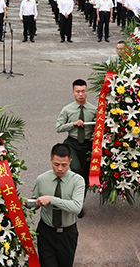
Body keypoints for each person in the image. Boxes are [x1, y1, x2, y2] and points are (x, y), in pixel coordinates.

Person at [30, 143, 84, 267]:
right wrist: (25, 203)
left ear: (70, 162)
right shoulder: (42, 179)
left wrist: (51, 199)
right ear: (51, 160)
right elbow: (35, 203)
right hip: (46, 233)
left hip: (67, 235)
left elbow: (76, 207)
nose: (60, 168)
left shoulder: (78, 181)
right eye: (56, 164)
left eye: (64, 165)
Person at [55, 79, 96, 217]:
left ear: (86, 92)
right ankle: (70, 200)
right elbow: (58, 127)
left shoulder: (93, 110)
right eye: (77, 91)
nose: (80, 94)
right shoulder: (67, 109)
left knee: (84, 176)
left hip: (88, 145)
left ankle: (79, 203)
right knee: (77, 169)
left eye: (83, 91)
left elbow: (99, 128)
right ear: (73, 93)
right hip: (72, 143)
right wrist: (73, 124)